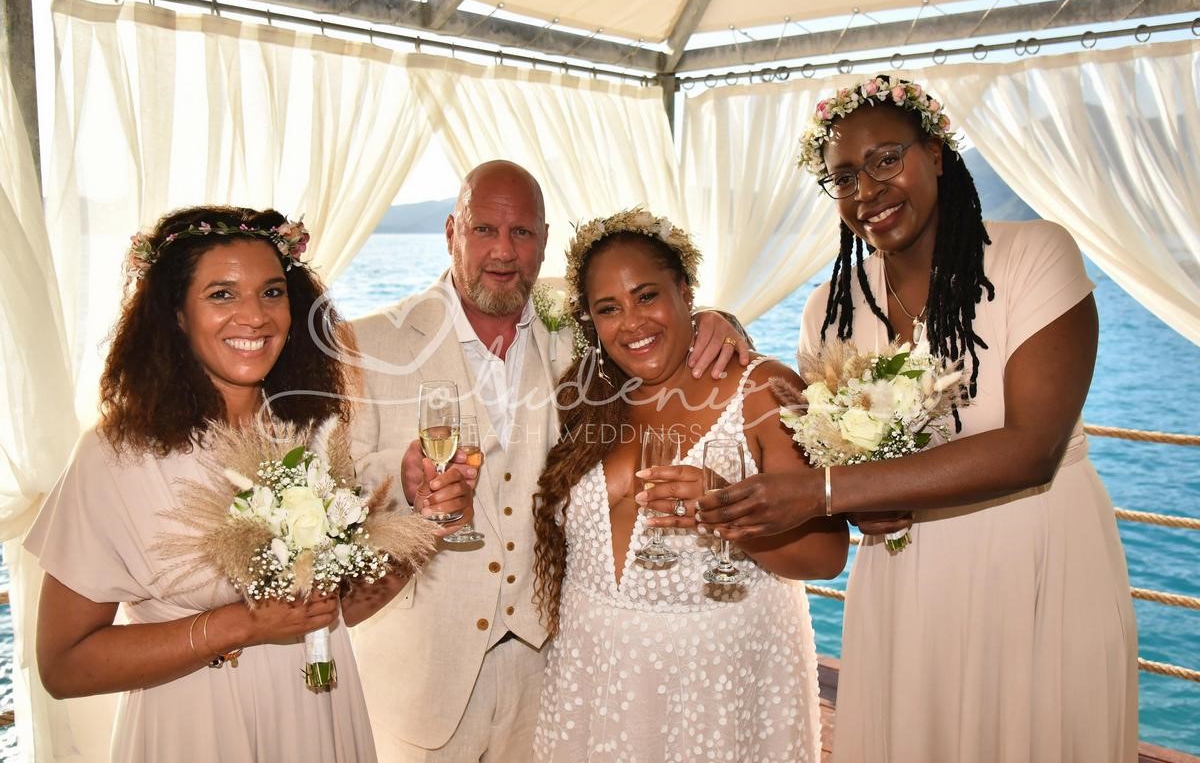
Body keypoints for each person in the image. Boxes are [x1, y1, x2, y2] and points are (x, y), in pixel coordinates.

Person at [674, 75, 1139, 762]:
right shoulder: (828, 311)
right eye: (844, 178)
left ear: (937, 154)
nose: (867, 191)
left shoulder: (1034, 256)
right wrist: (724, 324)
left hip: (1038, 556)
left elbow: (1032, 448)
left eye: (886, 160)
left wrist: (826, 492)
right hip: (906, 575)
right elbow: (815, 443)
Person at [347, 160, 752, 762]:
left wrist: (717, 321)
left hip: (546, 670)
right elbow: (339, 491)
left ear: (543, 242)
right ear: (452, 232)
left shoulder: (572, 335)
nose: (503, 251)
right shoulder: (369, 342)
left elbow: (645, 325)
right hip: (422, 676)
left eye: (522, 232)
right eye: (484, 230)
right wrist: (401, 483)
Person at [25, 206, 381, 761]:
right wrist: (239, 625)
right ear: (176, 315)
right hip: (196, 729)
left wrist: (429, 520)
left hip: (316, 715)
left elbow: (339, 609)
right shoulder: (116, 456)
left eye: (272, 292)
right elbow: (64, 666)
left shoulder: (311, 431)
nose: (255, 316)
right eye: (221, 294)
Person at [529, 208, 848, 763]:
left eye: (647, 296)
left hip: (714, 688)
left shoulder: (765, 391)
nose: (632, 323)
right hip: (591, 678)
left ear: (685, 290)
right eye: (609, 308)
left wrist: (730, 513)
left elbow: (826, 556)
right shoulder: (584, 393)